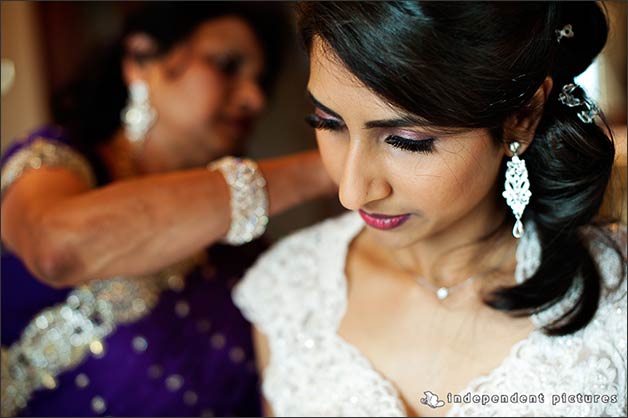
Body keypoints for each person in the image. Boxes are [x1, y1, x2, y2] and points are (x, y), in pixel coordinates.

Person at [233, 2, 627, 416]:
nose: (352, 193)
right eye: (328, 123)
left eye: (407, 140)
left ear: (522, 118)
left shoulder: (617, 302)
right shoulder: (289, 291)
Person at [1, 2, 335, 416]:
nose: (253, 98)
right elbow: (59, 248)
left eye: (260, 81)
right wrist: (331, 166)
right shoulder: (57, 162)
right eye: (228, 65)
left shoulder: (247, 257)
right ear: (142, 58)